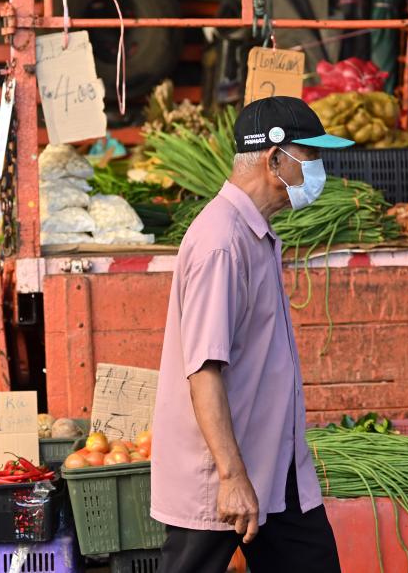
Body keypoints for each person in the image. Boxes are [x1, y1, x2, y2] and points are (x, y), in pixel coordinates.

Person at [151, 96, 353, 573]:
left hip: (274, 464)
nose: (319, 168)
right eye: (312, 155)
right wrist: (231, 475)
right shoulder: (221, 242)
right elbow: (203, 370)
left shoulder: (253, 234)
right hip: (223, 473)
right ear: (275, 158)